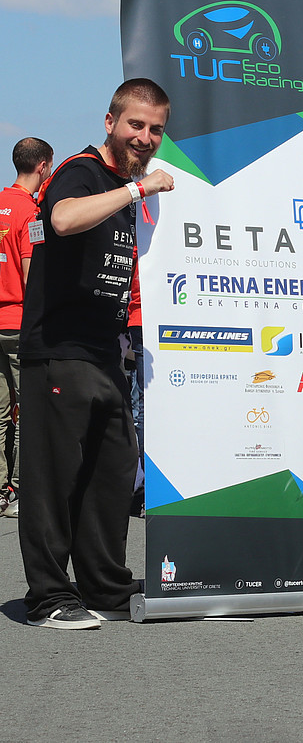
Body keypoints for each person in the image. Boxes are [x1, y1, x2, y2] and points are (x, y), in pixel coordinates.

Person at [19, 78, 175, 630]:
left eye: (156, 129)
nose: (145, 137)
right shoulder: (81, 170)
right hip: (59, 348)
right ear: (110, 122)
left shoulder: (122, 185)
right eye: (136, 124)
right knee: (54, 477)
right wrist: (139, 190)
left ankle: (104, 584)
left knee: (112, 469)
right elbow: (61, 220)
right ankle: (47, 596)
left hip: (107, 351)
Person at [0, 137, 52, 520]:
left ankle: (0, 489)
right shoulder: (31, 214)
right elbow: (33, 276)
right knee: (30, 408)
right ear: (43, 166)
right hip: (19, 323)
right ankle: (22, 489)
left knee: (0, 410)